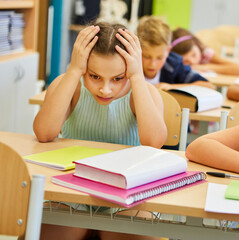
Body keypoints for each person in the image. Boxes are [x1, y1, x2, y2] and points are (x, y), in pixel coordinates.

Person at [34, 22, 167, 240]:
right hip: (70, 193)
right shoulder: (71, 85)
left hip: (127, 197)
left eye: (117, 78)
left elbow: (154, 142)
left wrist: (137, 77)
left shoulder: (142, 91)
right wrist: (74, 70)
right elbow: (44, 132)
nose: (105, 89)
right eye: (94, 76)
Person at [136, 16, 215, 91]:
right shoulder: (128, 65)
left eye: (160, 58)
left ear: (168, 51)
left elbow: (208, 86)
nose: (152, 64)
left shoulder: (174, 64)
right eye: (146, 56)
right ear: (137, 48)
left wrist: (171, 87)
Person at [171, 27, 239, 76]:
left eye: (193, 55)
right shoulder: (173, 61)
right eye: (186, 61)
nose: (193, 62)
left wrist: (206, 67)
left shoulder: (206, 53)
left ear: (197, 44)